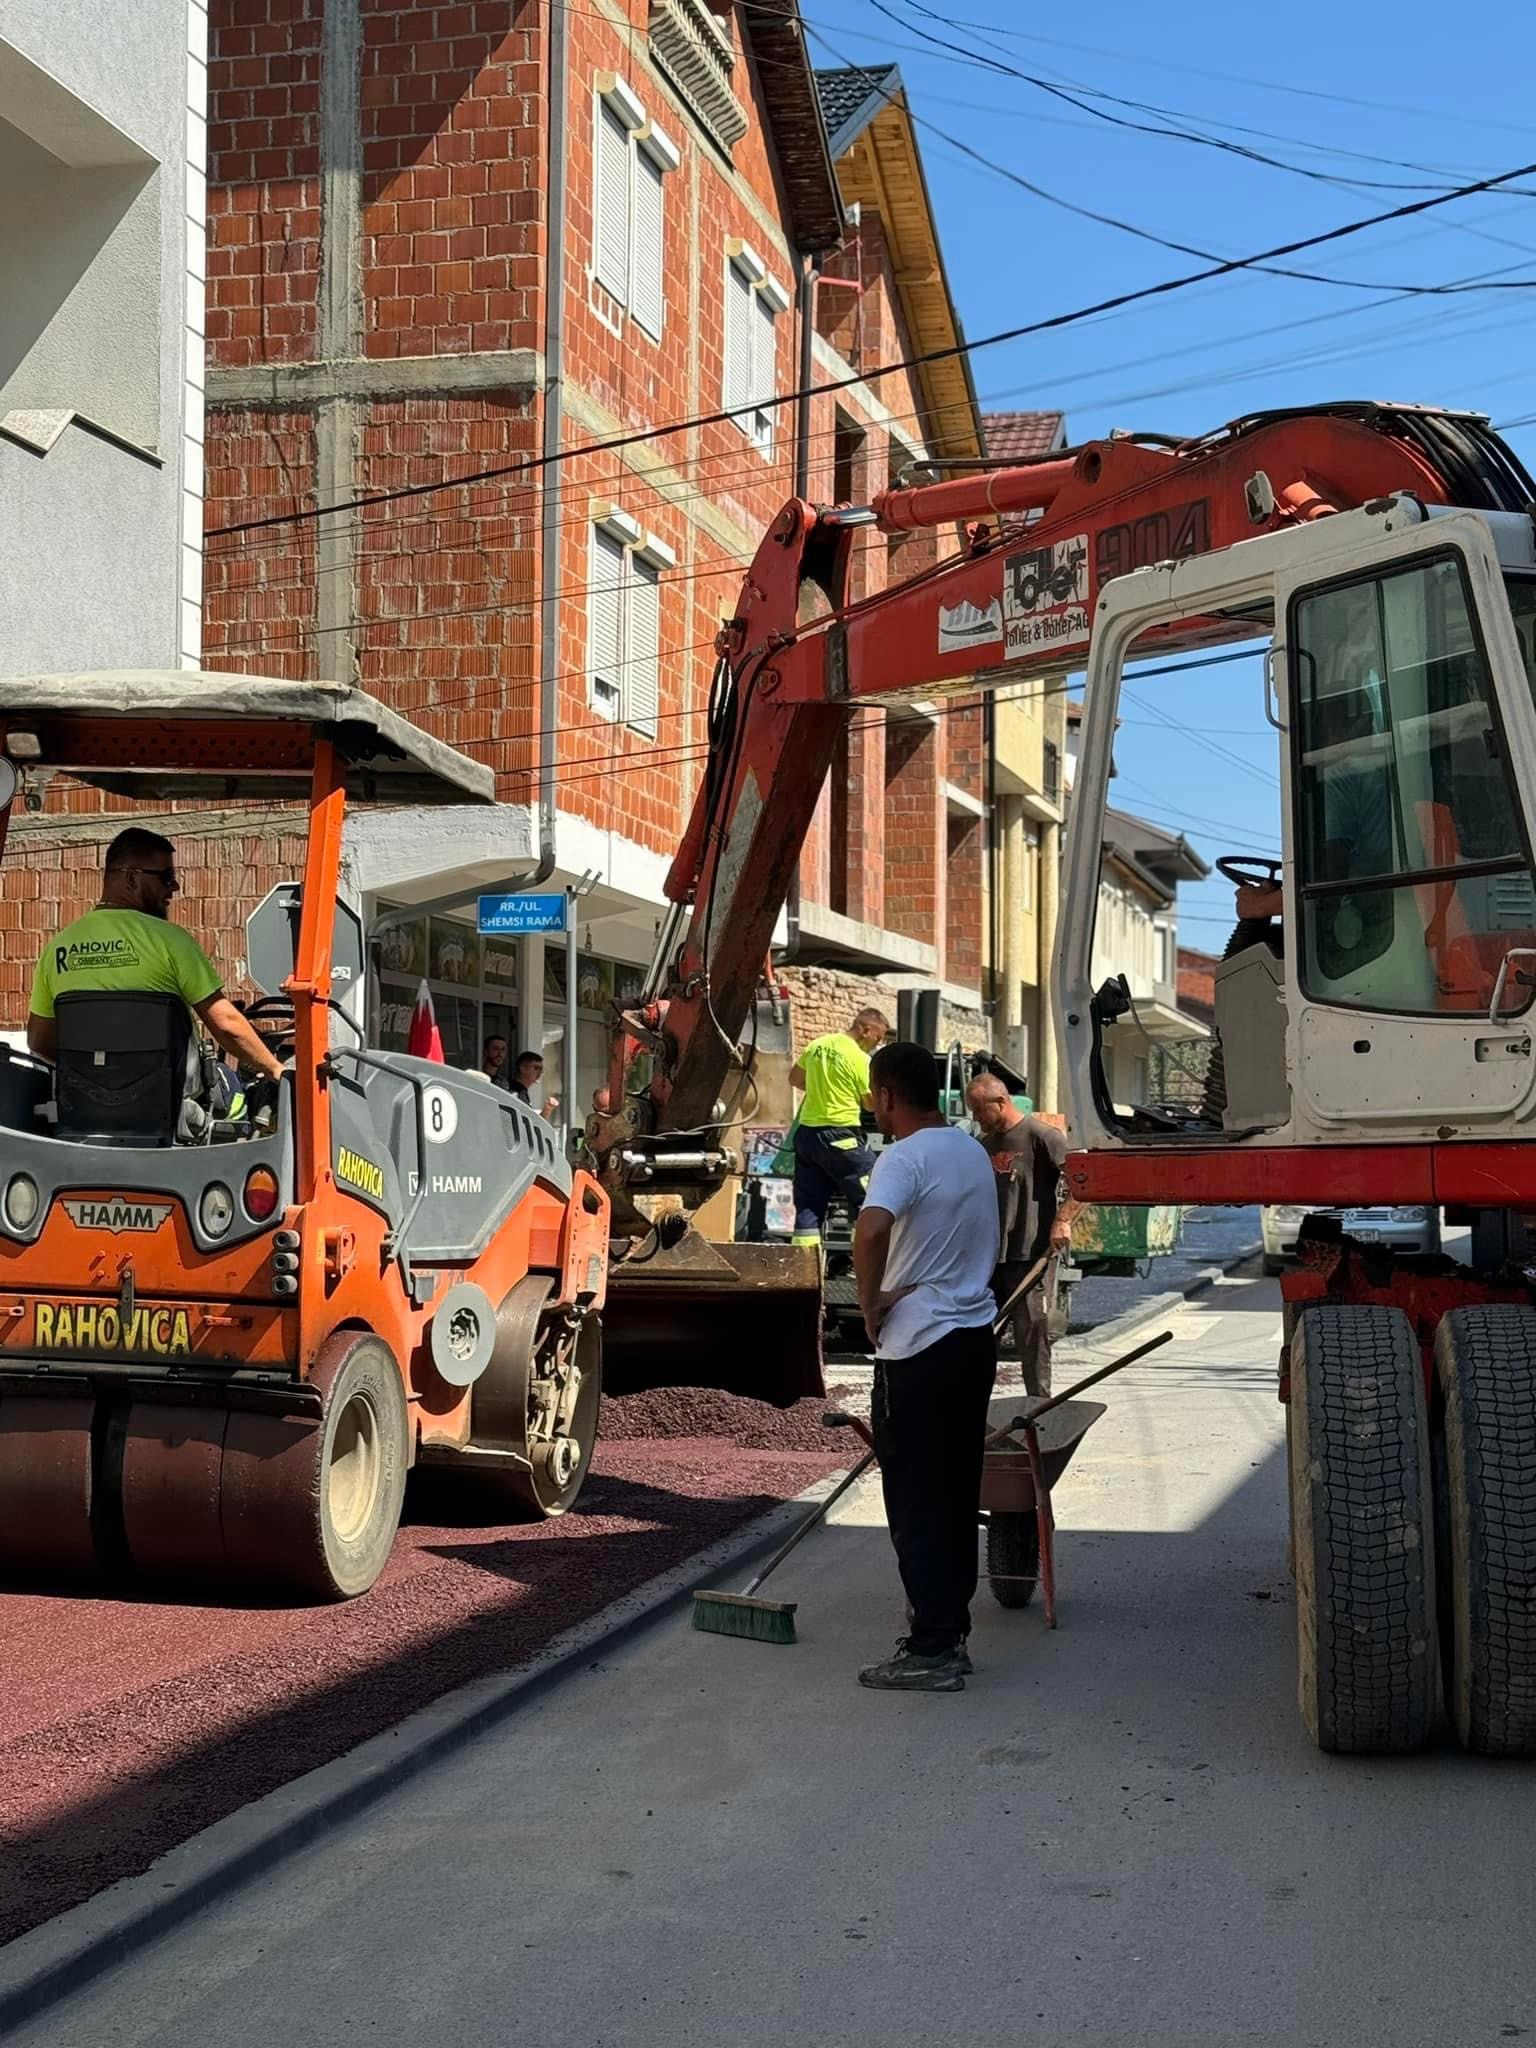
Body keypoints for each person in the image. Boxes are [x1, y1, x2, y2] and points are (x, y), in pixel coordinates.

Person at [853, 1040, 1001, 1694]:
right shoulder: (969, 1149)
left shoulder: (901, 1157)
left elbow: (870, 1230)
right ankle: (950, 1628)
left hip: (917, 1348)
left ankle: (933, 1649)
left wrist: (869, 1301)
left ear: (887, 1095)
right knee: (955, 1491)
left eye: (873, 1094)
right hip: (973, 1339)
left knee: (915, 1501)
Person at [27, 829, 284, 1087]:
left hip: (84, 1108)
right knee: (240, 1092)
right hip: (169, 1110)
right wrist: (276, 1069)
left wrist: (99, 1077)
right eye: (166, 876)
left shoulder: (57, 950)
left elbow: (39, 1042)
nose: (175, 886)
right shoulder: (170, 941)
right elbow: (226, 1025)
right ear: (130, 878)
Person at [965, 1074, 1071, 1398]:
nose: (976, 1118)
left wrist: (1062, 1221)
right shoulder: (984, 1146)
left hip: (1030, 1258)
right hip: (989, 1260)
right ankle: (974, 1414)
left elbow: (1085, 1183)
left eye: (980, 1109)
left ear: (1001, 1102)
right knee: (980, 1340)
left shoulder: (1043, 1137)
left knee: (1032, 1337)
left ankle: (1039, 1412)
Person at [788, 1006, 890, 1248]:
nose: (877, 1044)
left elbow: (795, 1079)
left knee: (808, 1207)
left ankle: (804, 1274)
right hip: (842, 1136)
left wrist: (823, 1090)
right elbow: (869, 1104)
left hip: (807, 1137)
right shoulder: (860, 1059)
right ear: (865, 1029)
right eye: (877, 1037)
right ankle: (867, 1266)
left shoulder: (818, 1045)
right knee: (873, 1199)